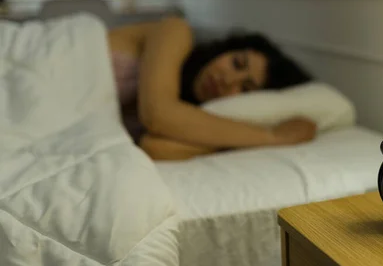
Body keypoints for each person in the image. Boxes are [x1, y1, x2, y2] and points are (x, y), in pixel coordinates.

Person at [107, 16, 317, 161]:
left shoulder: (185, 117)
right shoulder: (175, 30)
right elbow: (157, 114)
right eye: (236, 63)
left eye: (245, 89)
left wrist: (226, 142)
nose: (227, 80)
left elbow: (153, 147)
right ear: (223, 50)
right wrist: (274, 137)